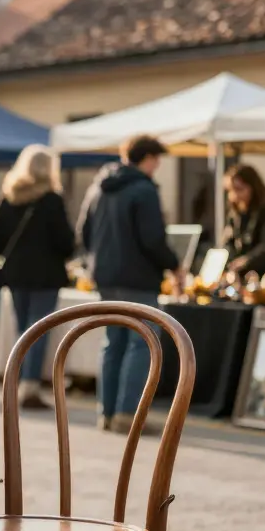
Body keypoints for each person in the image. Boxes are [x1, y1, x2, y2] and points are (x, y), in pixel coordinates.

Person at [78, 135, 179, 434]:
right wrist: (174, 265)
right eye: (156, 160)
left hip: (105, 277)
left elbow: (83, 231)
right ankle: (127, 414)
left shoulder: (99, 186)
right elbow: (153, 239)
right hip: (139, 278)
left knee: (113, 343)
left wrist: (97, 260)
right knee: (142, 343)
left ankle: (106, 413)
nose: (157, 166)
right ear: (147, 158)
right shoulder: (143, 189)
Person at [0, 145, 75, 410]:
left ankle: (15, 382)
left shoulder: (8, 197)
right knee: (38, 330)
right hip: (45, 274)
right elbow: (66, 243)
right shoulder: (51, 200)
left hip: (15, 274)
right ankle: (29, 386)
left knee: (22, 328)